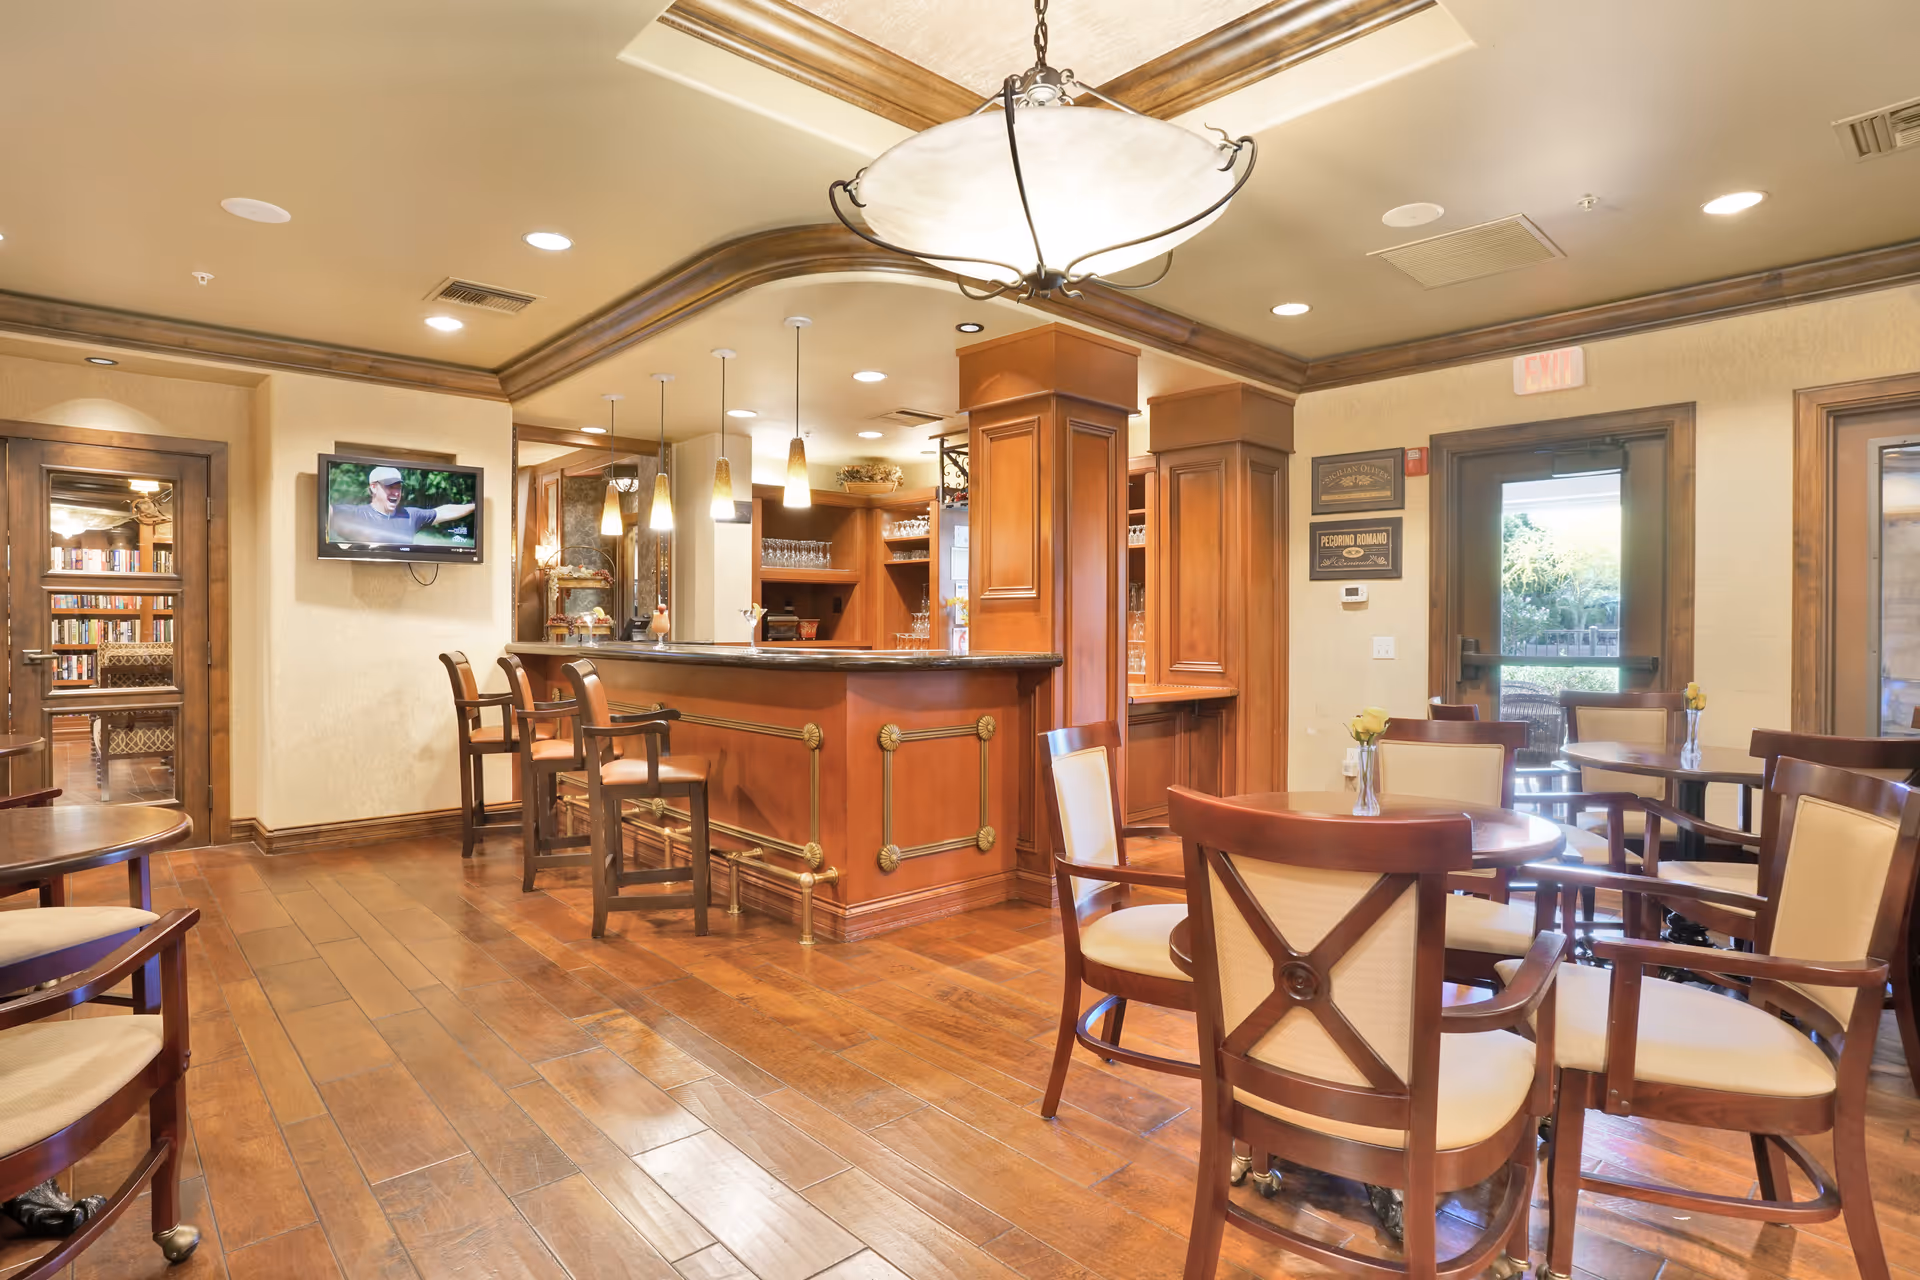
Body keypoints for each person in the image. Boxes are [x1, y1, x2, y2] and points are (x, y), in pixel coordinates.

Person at [326, 466, 475, 545]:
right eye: (390, 486)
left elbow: (443, 511)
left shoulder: (411, 515)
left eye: (398, 487)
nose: (396, 492)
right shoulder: (356, 514)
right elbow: (325, 512)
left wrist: (475, 506)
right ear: (373, 487)